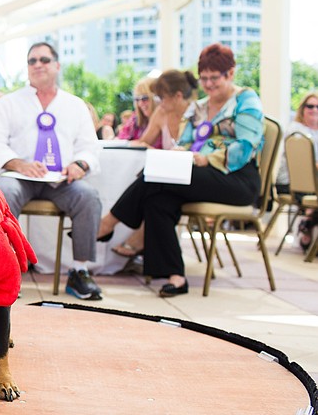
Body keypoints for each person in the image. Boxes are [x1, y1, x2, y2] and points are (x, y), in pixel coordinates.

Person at [97, 43, 264, 297]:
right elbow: (185, 142)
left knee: (155, 176)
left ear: (230, 74)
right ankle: (175, 276)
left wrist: (208, 159)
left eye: (214, 78)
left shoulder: (246, 99)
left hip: (236, 178)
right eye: (204, 79)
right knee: (158, 198)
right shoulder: (200, 107)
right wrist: (180, 154)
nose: (208, 84)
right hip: (197, 173)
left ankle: (109, 222)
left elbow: (246, 145)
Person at [0, 41, 104, 301]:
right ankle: (5, 271)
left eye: (44, 60)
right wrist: (19, 164)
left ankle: (80, 271)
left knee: (89, 197)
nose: (38, 65)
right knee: (1, 192)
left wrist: (79, 165)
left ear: (57, 65)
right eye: (32, 61)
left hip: (62, 179)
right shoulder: (9, 103)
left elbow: (90, 148)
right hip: (20, 177)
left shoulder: (75, 105)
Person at [112, 70, 200, 259]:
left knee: (154, 183)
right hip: (169, 180)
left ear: (177, 97)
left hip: (188, 177)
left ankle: (110, 222)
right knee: (156, 199)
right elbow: (144, 141)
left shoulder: (198, 115)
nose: (157, 101)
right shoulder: (161, 114)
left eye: (159, 97)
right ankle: (166, 270)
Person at [275, 91, 318, 252]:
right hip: (292, 184)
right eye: (310, 106)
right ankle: (309, 218)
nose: (314, 109)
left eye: (317, 106)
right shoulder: (296, 131)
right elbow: (306, 165)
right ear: (302, 109)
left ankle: (308, 220)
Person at [117, 77, 158, 142]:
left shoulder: (165, 118)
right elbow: (120, 139)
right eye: (137, 99)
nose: (140, 103)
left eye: (145, 98)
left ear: (156, 98)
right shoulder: (135, 119)